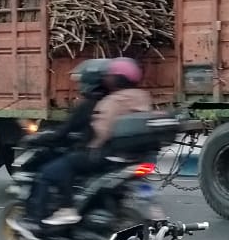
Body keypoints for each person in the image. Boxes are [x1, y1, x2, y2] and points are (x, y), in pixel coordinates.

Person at [44, 56, 152, 227]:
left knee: (57, 167)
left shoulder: (110, 102)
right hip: (135, 155)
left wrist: (91, 143)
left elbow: (101, 131)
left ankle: (67, 208)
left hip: (105, 155)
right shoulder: (142, 97)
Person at [19, 60, 106, 233]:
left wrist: (38, 138)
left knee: (48, 172)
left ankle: (39, 220)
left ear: (89, 82)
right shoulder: (112, 101)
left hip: (90, 154)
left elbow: (63, 132)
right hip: (107, 155)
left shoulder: (88, 105)